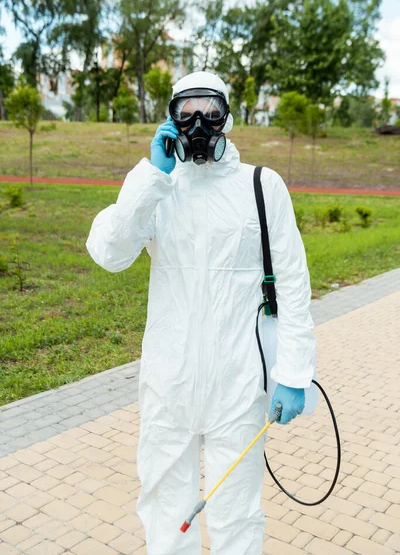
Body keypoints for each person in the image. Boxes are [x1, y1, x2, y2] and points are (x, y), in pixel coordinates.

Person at [86, 71, 316, 555]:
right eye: (185, 111)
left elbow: (293, 283)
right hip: (169, 385)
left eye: (208, 111)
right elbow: (109, 253)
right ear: (170, 118)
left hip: (238, 387)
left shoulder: (262, 185)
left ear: (227, 117)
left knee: (237, 516)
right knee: (166, 515)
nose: (197, 124)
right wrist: (152, 179)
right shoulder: (156, 184)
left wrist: (294, 372)